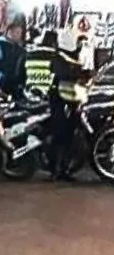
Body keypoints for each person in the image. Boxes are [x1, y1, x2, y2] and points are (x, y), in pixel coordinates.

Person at [48, 30, 92, 182]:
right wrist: (81, 74)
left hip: (72, 102)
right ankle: (56, 170)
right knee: (59, 136)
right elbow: (63, 74)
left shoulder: (70, 57)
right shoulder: (58, 58)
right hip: (60, 101)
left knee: (68, 137)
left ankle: (63, 169)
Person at [24, 29, 58, 98]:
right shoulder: (56, 58)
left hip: (28, 94)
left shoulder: (28, 54)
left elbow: (19, 74)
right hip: (47, 96)